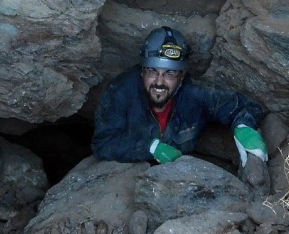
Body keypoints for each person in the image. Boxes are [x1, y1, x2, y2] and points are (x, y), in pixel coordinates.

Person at [91, 26, 269, 168]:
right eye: (153, 71)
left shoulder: (195, 94)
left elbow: (245, 106)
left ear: (181, 77)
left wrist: (244, 127)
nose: (159, 82)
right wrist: (150, 148)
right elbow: (103, 143)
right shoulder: (120, 92)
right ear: (142, 71)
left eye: (169, 74)